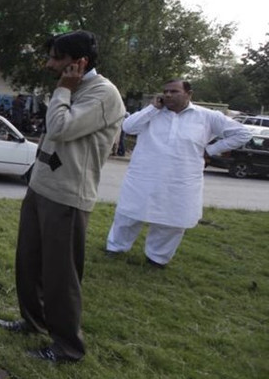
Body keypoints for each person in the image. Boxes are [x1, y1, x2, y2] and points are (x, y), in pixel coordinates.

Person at [0, 30, 124, 363]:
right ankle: (33, 321)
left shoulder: (102, 94)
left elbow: (60, 128)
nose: (49, 64)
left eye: (57, 58)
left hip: (67, 196)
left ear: (79, 63)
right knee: (29, 262)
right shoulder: (74, 89)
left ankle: (67, 347)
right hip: (41, 188)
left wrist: (63, 90)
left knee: (60, 275)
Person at [105, 80, 249, 267]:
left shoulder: (207, 117)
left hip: (181, 179)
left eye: (174, 91)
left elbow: (242, 134)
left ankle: (157, 258)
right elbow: (128, 127)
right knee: (129, 213)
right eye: (165, 91)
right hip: (144, 176)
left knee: (171, 221)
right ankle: (115, 248)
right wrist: (152, 109)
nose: (168, 95)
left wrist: (211, 150)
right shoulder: (153, 113)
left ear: (189, 94)